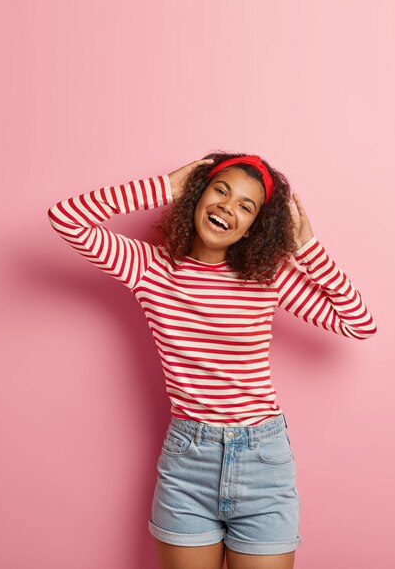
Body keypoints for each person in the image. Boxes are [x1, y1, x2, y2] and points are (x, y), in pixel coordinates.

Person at [48, 151, 377, 569]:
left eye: (246, 206)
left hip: (264, 459)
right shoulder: (149, 268)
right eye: (220, 190)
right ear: (197, 195)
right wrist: (165, 185)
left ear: (254, 226)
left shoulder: (267, 277)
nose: (228, 207)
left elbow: (358, 322)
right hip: (189, 460)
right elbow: (66, 218)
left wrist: (306, 248)